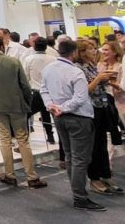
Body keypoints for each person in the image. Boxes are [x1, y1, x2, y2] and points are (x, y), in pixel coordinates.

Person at [0, 36, 46, 189]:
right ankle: (32, 177)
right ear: (2, 46)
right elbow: (25, 85)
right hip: (16, 104)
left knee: (4, 140)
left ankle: (9, 175)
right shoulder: (14, 62)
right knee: (22, 140)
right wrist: (27, 102)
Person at [41, 40, 103, 211]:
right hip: (78, 119)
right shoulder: (76, 72)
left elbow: (43, 90)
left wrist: (51, 106)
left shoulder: (48, 69)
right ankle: (80, 198)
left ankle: (78, 194)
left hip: (59, 118)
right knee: (79, 159)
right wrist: (62, 107)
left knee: (70, 157)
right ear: (74, 52)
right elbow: (80, 98)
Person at [73, 40, 122, 195]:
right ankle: (94, 179)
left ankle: (105, 175)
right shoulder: (78, 68)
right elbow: (84, 90)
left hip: (102, 106)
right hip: (90, 109)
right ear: (81, 52)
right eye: (91, 49)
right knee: (93, 146)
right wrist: (99, 79)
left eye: (94, 48)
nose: (95, 51)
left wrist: (105, 79)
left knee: (102, 143)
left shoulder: (92, 65)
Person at [23, 37, 57, 143]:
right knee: (52, 115)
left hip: (37, 92)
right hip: (51, 92)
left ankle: (24, 141)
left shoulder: (29, 59)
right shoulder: (53, 59)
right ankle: (52, 137)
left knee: (25, 115)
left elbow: (25, 77)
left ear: (34, 46)